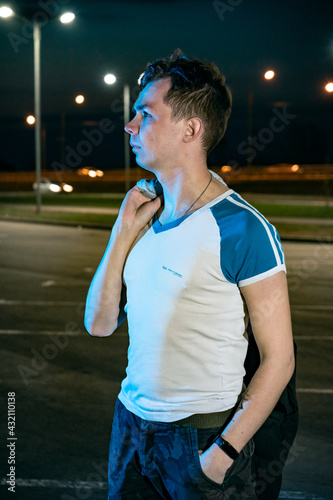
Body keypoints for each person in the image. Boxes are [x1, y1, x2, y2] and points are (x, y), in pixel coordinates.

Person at [84, 50, 295, 499]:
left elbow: (280, 360)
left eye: (145, 113)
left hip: (201, 437)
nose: (130, 125)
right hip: (130, 429)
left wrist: (223, 452)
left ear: (191, 129)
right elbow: (99, 324)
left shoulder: (242, 228)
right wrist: (122, 231)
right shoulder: (143, 216)